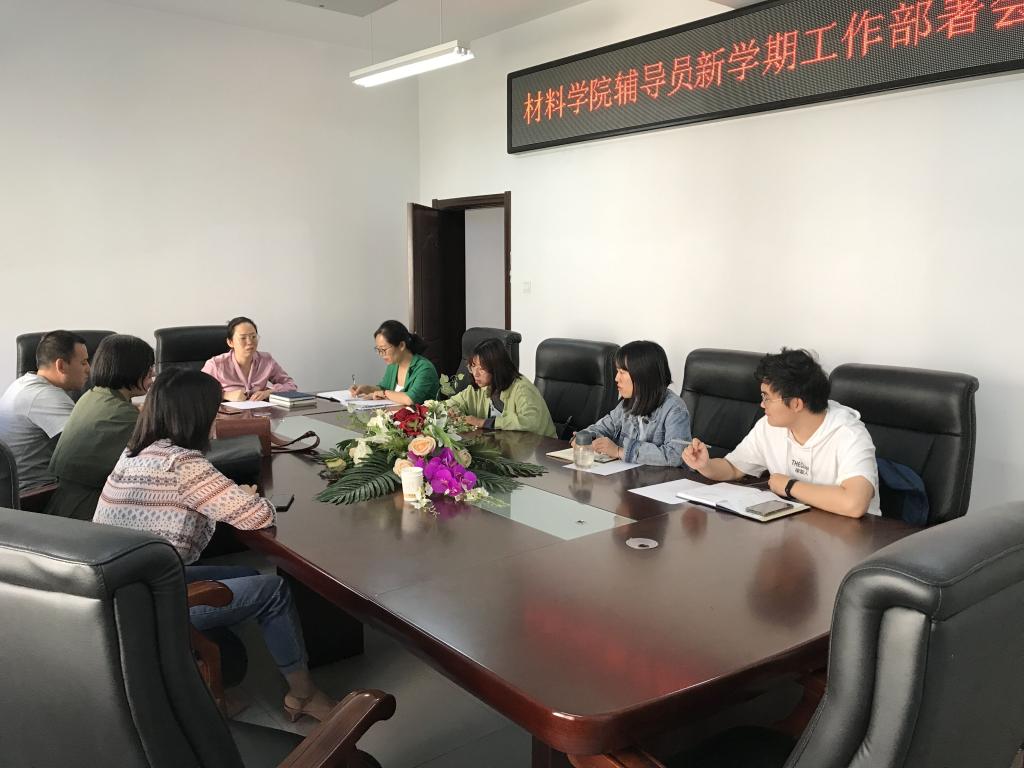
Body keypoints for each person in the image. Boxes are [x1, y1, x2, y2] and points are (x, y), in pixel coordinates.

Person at [93, 368, 337, 722]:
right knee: (273, 590)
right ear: (195, 413)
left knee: (245, 576)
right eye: (215, 408)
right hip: (151, 606)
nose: (218, 416)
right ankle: (303, 695)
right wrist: (248, 497)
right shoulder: (182, 464)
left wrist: (231, 497)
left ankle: (205, 678)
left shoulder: (134, 451)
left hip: (123, 591)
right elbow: (258, 516)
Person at [682, 348, 879, 518]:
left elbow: (854, 504)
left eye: (767, 398)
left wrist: (789, 486)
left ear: (796, 404)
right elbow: (733, 468)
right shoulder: (769, 426)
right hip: (798, 525)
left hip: (854, 536)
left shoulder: (849, 434)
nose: (762, 405)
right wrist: (705, 465)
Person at [44, 335, 154, 520]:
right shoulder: (124, 416)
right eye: (148, 369)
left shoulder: (93, 395)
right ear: (132, 369)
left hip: (61, 506)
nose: (152, 374)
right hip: (89, 513)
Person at [573, 340, 691, 466]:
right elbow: (603, 427)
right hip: (630, 474)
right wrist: (586, 437)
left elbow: (676, 455)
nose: (616, 378)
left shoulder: (675, 409)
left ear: (643, 375)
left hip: (662, 478)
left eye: (622, 372)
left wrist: (619, 451)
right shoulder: (628, 403)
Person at [0, 330, 91, 492]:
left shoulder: (22, 383)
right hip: (36, 494)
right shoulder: (45, 396)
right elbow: (90, 446)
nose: (89, 369)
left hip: (14, 492)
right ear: (61, 365)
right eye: (83, 362)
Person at [446, 338, 556, 437]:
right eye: (473, 367)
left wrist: (483, 422)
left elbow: (531, 422)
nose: (475, 374)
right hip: (505, 447)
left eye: (482, 369)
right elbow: (447, 405)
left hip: (542, 449)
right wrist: (453, 411)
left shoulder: (522, 388)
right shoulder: (479, 388)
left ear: (496, 368)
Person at [202, 316, 297, 402]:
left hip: (260, 413)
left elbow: (291, 385)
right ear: (230, 342)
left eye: (253, 337)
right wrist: (225, 395)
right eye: (243, 338)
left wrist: (270, 392)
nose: (250, 342)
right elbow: (198, 392)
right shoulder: (216, 364)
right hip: (226, 414)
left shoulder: (266, 360)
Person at [350, 320, 440, 405]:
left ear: (401, 345)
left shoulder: (425, 368)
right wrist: (367, 389)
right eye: (378, 350)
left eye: (383, 349)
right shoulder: (393, 364)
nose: (381, 354)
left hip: (423, 416)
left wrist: (384, 393)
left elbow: (410, 399)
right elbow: (384, 388)